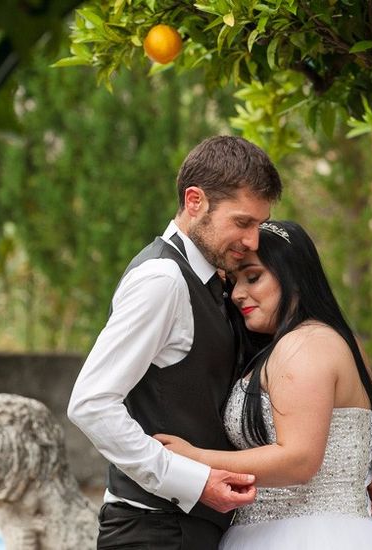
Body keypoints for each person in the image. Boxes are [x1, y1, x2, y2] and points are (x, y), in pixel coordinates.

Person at [67, 135, 283, 550]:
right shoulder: (162, 280)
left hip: (188, 529)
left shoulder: (215, 279)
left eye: (259, 224)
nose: (253, 240)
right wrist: (193, 481)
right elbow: (91, 404)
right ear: (195, 201)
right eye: (242, 222)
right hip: (155, 532)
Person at [155, 220, 372, 549]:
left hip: (303, 535)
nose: (236, 294)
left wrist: (194, 458)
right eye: (233, 281)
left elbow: (299, 459)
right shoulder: (331, 340)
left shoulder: (305, 345)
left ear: (295, 276)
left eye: (253, 277)